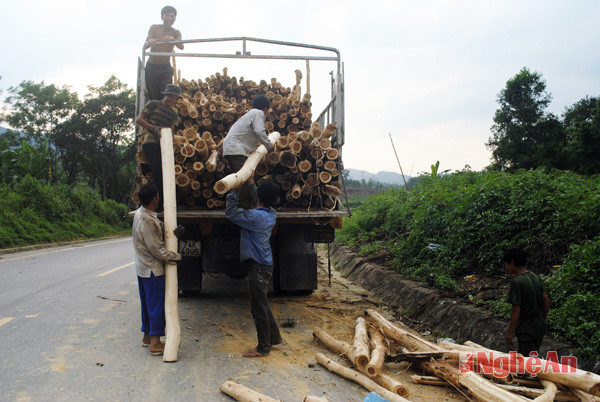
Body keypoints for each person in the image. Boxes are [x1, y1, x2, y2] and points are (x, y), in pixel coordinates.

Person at [225, 177, 282, 357]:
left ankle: (263, 348)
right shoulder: (270, 213)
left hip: (258, 267)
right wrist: (250, 185)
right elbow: (259, 197)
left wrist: (233, 191)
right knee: (262, 303)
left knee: (257, 307)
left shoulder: (255, 217)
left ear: (259, 196)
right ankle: (274, 337)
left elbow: (231, 213)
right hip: (265, 264)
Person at [132, 183, 182, 355]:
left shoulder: (140, 214)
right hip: (152, 269)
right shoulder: (147, 221)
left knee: (147, 304)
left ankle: (147, 337)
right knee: (156, 306)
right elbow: (157, 250)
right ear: (155, 199)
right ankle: (155, 343)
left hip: (142, 268)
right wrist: (177, 256)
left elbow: (155, 225)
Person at [136, 84, 181, 212]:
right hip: (151, 143)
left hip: (164, 145)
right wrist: (153, 128)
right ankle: (156, 204)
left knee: (167, 174)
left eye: (175, 98)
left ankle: (164, 203)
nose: (172, 100)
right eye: (170, 97)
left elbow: (171, 131)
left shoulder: (173, 114)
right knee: (158, 173)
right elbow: (139, 119)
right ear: (165, 95)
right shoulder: (153, 104)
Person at [223, 94, 273, 208]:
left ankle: (240, 208)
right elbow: (260, 132)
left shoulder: (250, 114)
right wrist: (269, 146)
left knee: (238, 180)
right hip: (236, 150)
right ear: (265, 108)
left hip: (232, 149)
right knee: (244, 181)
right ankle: (242, 211)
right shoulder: (258, 113)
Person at [504, 246, 551, 357]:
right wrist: (542, 320)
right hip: (539, 326)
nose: (506, 267)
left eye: (506, 264)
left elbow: (516, 309)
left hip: (526, 330)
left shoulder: (517, 282)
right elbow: (547, 302)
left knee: (525, 364)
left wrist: (510, 332)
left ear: (512, 262)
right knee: (534, 357)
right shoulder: (534, 276)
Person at [144, 5, 184, 101]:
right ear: (162, 17)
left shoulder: (176, 32)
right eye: (167, 16)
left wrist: (173, 39)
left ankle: (163, 114)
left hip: (165, 68)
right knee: (153, 96)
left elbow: (181, 46)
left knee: (166, 95)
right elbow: (146, 43)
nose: (170, 18)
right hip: (152, 67)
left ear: (175, 19)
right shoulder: (154, 28)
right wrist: (151, 41)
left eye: (172, 16)